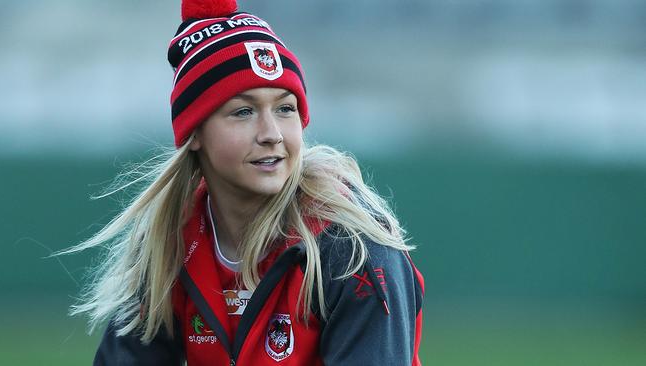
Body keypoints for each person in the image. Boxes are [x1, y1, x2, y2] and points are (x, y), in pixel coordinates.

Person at [66, 0, 424, 364]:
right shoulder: (171, 242)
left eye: (285, 108)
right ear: (194, 133)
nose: (272, 134)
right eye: (243, 112)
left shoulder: (352, 248)